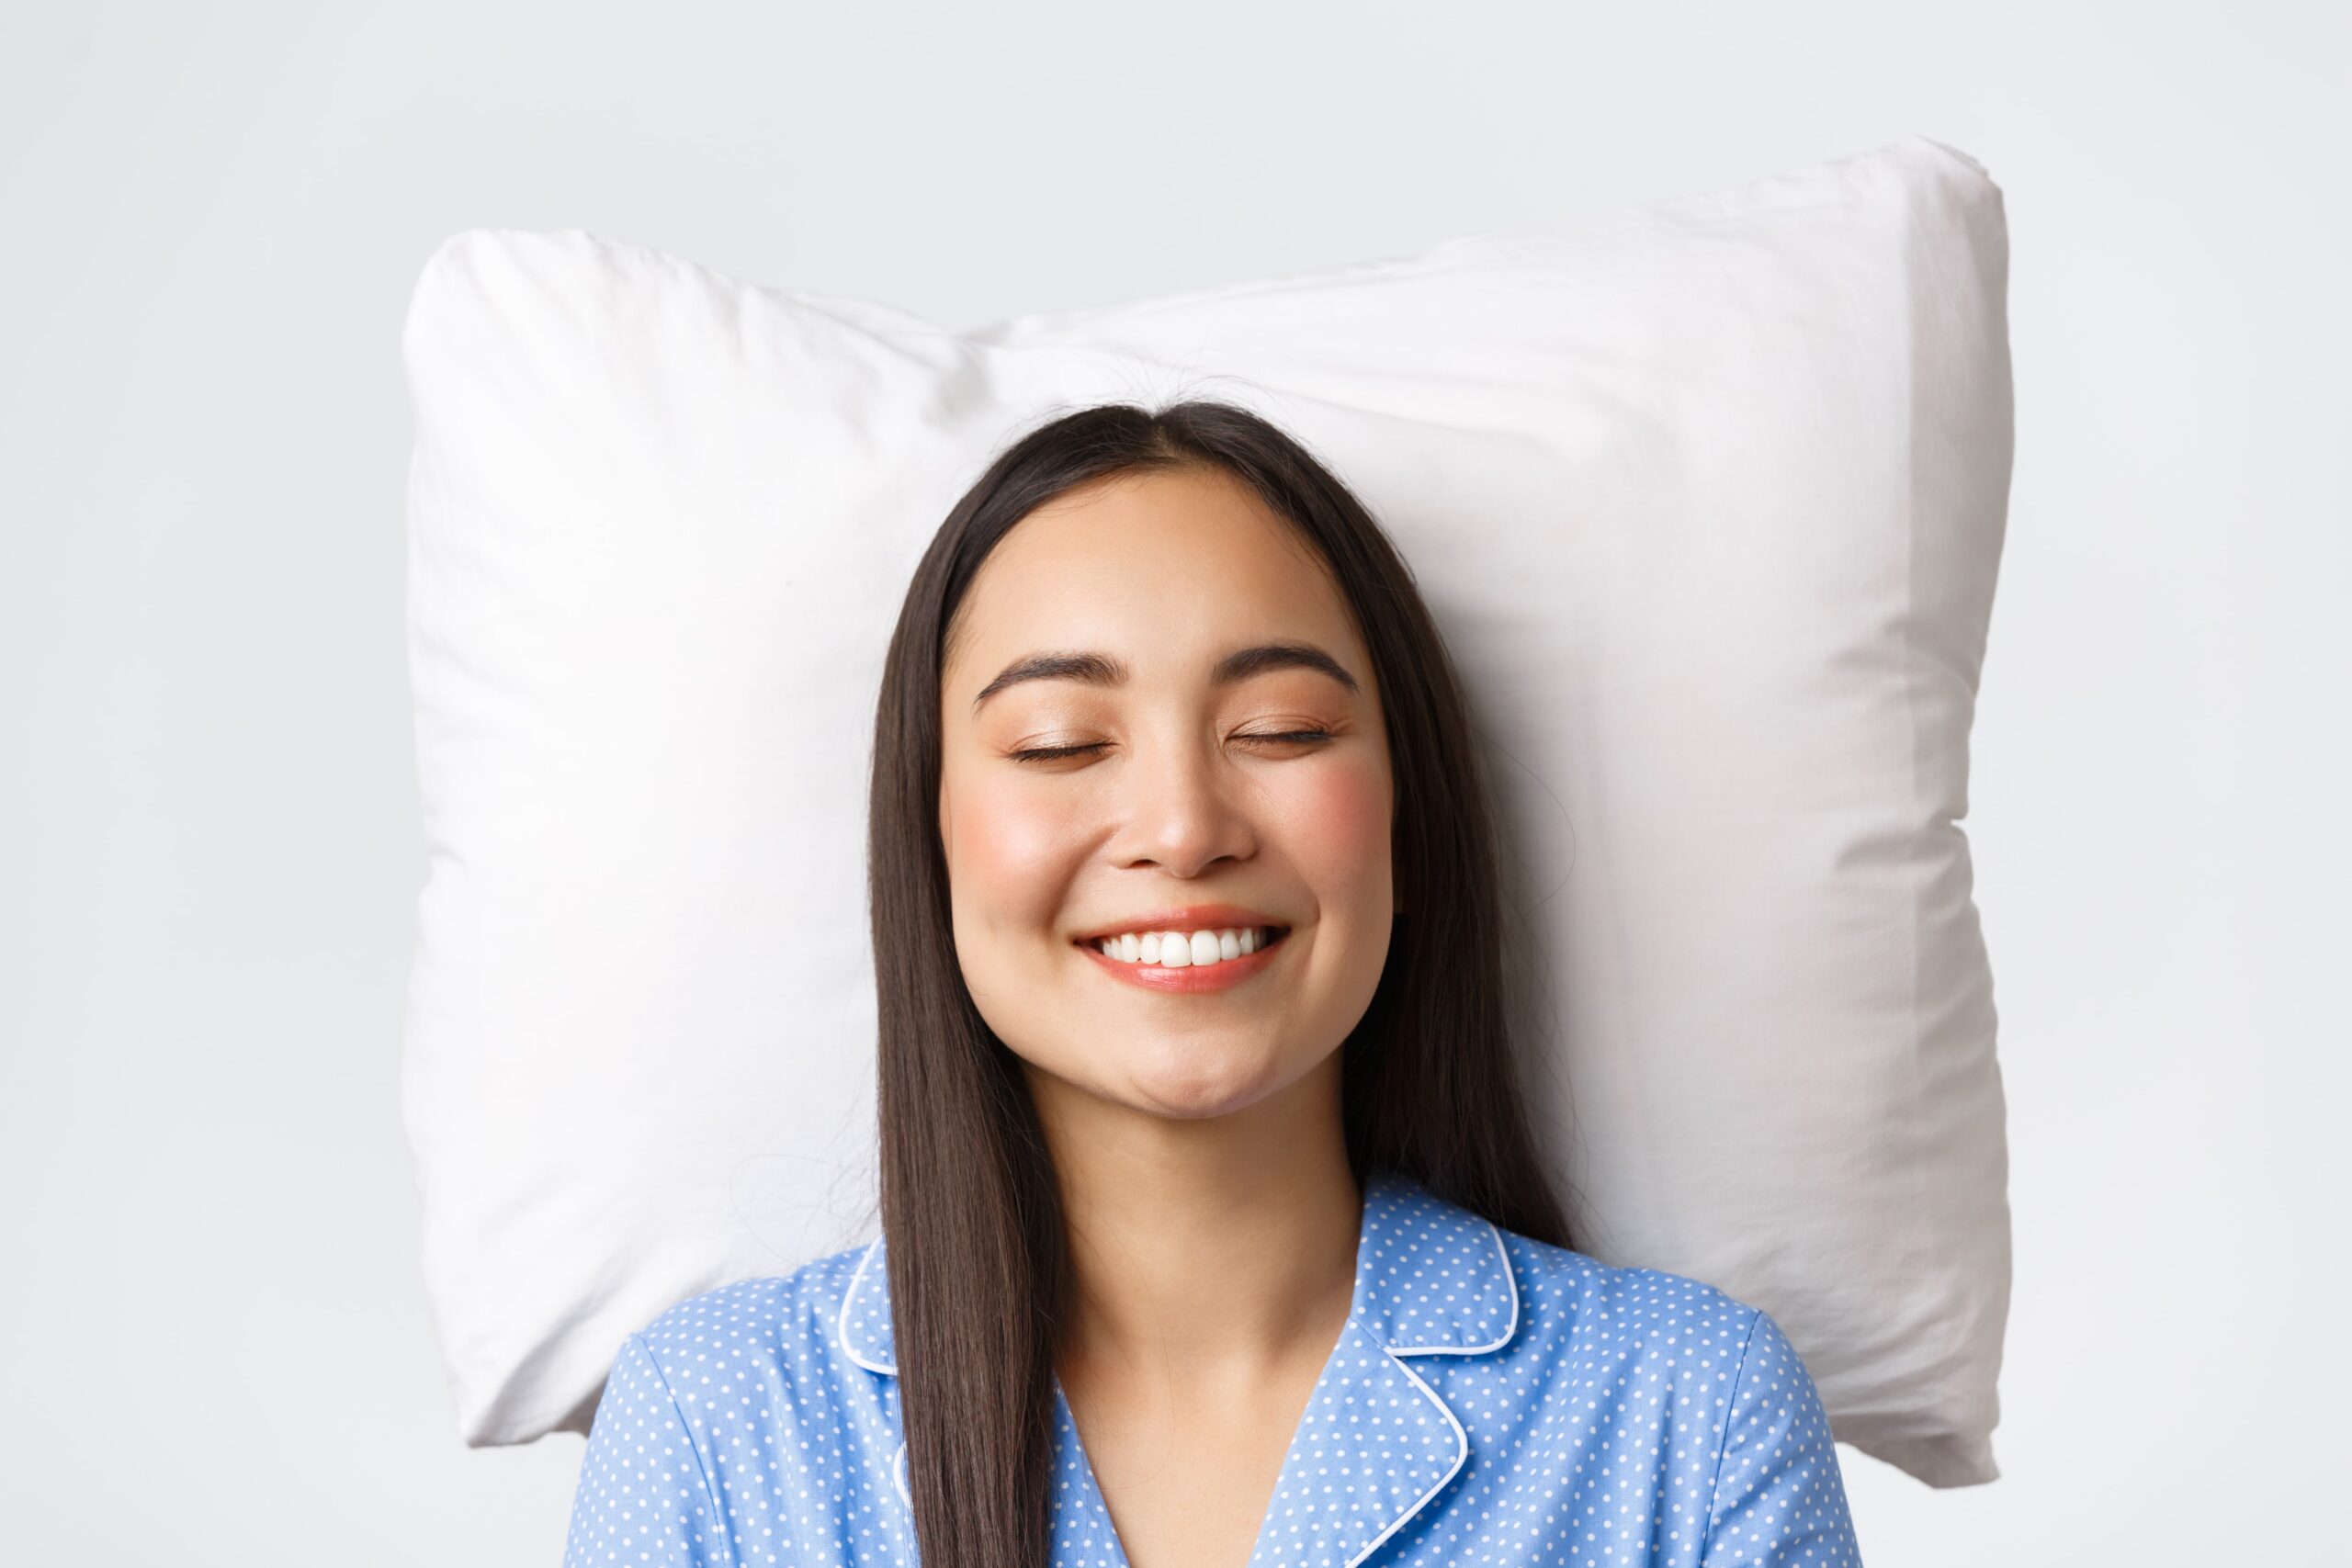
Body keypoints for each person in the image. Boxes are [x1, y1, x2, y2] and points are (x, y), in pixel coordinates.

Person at [562, 400, 1862, 1568]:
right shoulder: (718, 1434)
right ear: (932, 844)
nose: (1183, 828)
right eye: (1061, 743)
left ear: (1408, 829)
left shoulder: (1685, 1422)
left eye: (1282, 732)